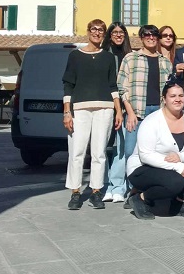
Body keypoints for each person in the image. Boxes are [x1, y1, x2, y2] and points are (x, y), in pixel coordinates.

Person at [62, 19, 123, 210]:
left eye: (101, 30)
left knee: (99, 153)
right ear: (88, 31)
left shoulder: (108, 58)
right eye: (94, 29)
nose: (97, 33)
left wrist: (118, 110)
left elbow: (113, 86)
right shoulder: (75, 56)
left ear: (104, 34)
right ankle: (75, 192)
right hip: (79, 109)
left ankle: (96, 191)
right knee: (77, 151)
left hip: (105, 109)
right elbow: (68, 84)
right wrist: (66, 112)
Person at [108, 25, 172, 203]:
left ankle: (146, 189)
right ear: (141, 37)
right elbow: (121, 87)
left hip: (158, 113)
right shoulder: (131, 58)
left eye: (154, 35)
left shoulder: (165, 62)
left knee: (154, 153)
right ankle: (131, 190)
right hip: (136, 112)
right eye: (147, 35)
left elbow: (169, 89)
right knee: (130, 152)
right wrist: (130, 112)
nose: (151, 38)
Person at [126, 82, 184, 219]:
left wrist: (181, 156)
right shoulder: (151, 121)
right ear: (164, 99)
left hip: (172, 166)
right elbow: (146, 155)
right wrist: (177, 166)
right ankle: (140, 197)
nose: (178, 99)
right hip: (143, 168)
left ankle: (177, 203)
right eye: (173, 96)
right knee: (175, 182)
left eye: (181, 95)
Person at [101, 21, 132, 203]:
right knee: (103, 148)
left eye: (122, 32)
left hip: (125, 105)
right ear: (110, 35)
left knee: (121, 148)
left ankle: (117, 186)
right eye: (115, 32)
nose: (118, 35)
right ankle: (105, 185)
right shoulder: (104, 54)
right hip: (106, 104)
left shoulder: (130, 55)